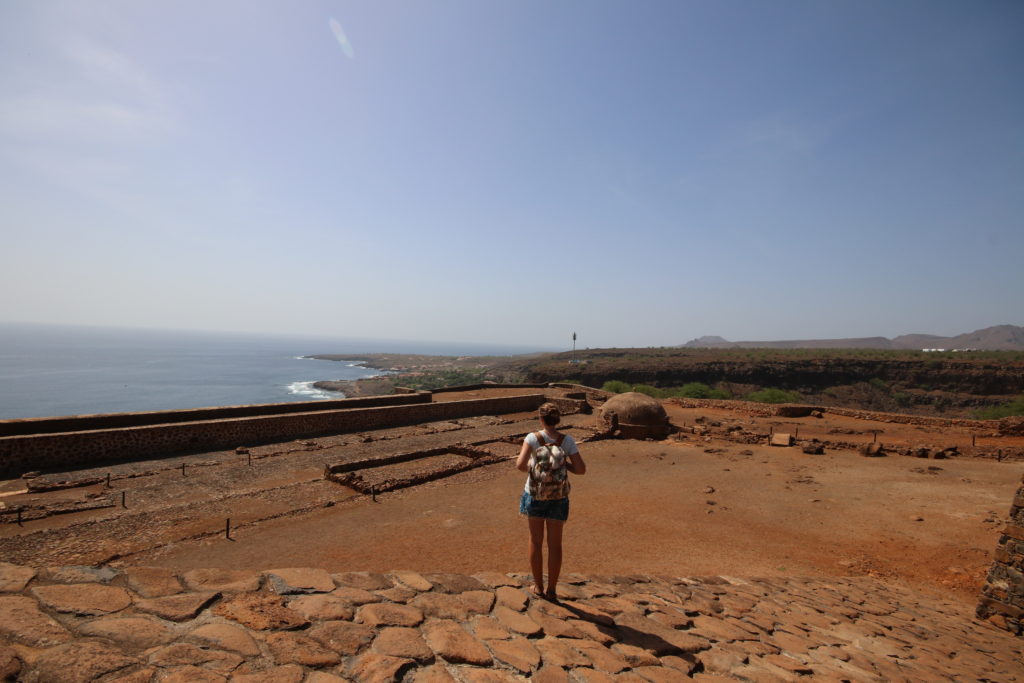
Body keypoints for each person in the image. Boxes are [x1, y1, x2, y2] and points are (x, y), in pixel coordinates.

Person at [515, 402, 586, 601]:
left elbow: (520, 465)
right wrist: (563, 464)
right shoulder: (567, 441)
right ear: (558, 419)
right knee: (555, 545)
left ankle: (538, 587)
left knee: (535, 542)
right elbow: (581, 470)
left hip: (534, 494)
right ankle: (552, 589)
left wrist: (534, 464)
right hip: (559, 497)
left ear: (541, 419)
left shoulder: (532, 438)